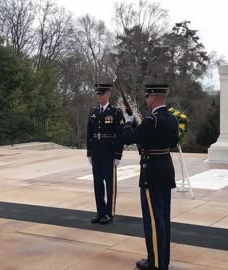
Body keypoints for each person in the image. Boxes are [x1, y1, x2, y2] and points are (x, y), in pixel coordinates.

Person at [122, 84, 179, 270]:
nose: (146, 100)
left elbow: (128, 138)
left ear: (153, 97)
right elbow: (171, 142)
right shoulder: (172, 119)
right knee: (163, 217)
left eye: (147, 97)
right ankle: (163, 260)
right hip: (166, 169)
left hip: (151, 172)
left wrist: (128, 121)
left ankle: (155, 263)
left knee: (153, 220)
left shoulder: (151, 120)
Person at [86, 83, 125, 225]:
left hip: (109, 153)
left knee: (110, 184)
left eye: (102, 94)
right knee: (98, 184)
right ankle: (100, 211)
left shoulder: (116, 112)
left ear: (108, 94)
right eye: (98, 94)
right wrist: (89, 152)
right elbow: (89, 134)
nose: (100, 97)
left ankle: (109, 212)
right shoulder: (93, 112)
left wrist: (118, 155)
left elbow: (120, 135)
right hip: (96, 152)